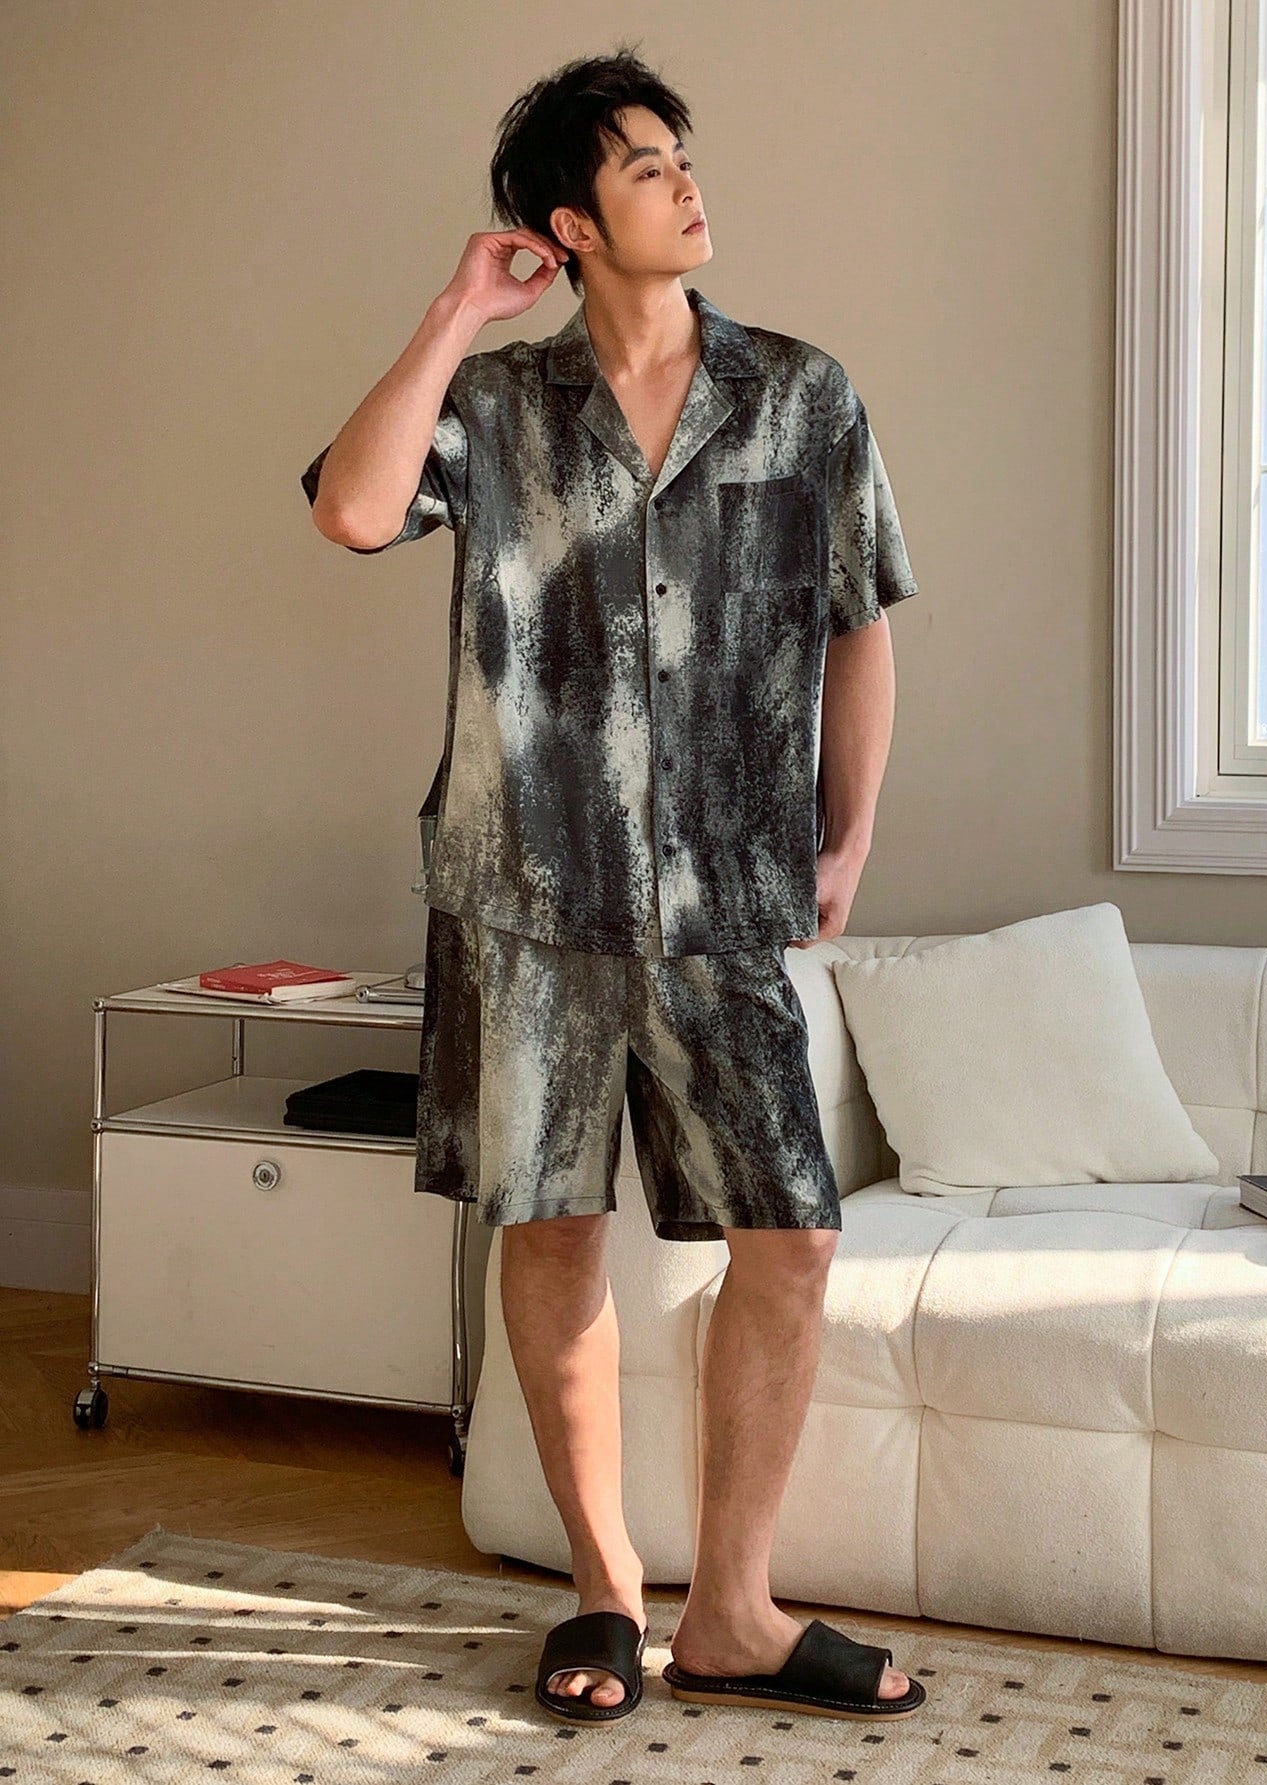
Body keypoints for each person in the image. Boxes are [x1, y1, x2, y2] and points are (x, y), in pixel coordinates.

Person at [301, 44, 924, 1727]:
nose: (687, 182)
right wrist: (457, 310)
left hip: (728, 902)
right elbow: (353, 511)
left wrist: (848, 834)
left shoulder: (803, 395)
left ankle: (733, 1610)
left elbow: (860, 620)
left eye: (681, 156)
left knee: (790, 1239)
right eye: (646, 167)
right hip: (528, 900)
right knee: (553, 1228)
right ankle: (600, 1589)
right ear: (571, 224)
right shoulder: (499, 407)